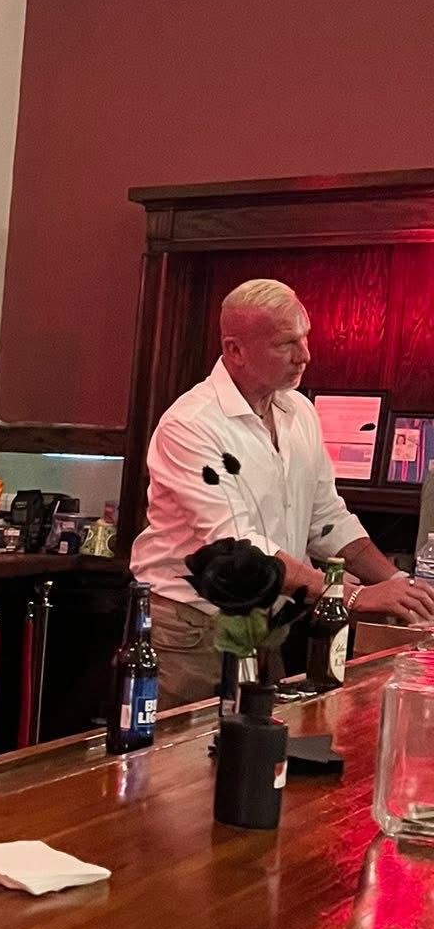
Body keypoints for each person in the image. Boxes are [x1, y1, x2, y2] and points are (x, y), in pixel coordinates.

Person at [131, 277, 434, 707]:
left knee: (260, 759)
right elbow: (241, 548)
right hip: (191, 631)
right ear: (235, 350)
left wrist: (398, 583)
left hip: (267, 627)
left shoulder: (299, 412)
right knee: (171, 769)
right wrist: (357, 596)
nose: (304, 355)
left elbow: (327, 519)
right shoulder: (191, 424)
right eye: (285, 344)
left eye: (305, 338)